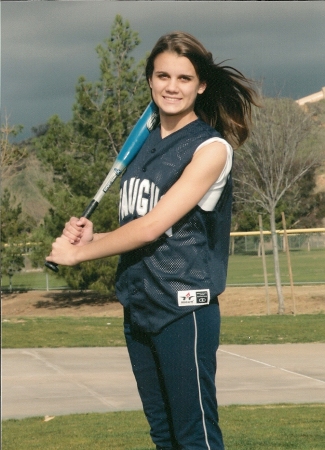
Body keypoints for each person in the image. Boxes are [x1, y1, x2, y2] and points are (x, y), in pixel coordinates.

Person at [46, 32, 258, 450]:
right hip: (140, 305)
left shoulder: (210, 148)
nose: (172, 86)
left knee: (194, 437)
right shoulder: (144, 145)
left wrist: (78, 255)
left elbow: (151, 226)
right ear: (149, 80)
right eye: (163, 75)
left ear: (201, 85)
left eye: (184, 77)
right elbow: (143, 227)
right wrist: (98, 234)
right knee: (163, 437)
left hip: (184, 310)